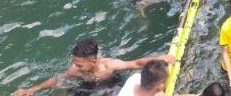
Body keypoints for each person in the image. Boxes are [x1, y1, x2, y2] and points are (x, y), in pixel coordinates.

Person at [12, 38, 173, 96]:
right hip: (88, 88)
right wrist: (35, 89)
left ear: (93, 61)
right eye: (75, 63)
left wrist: (159, 58)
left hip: (111, 87)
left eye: (80, 64)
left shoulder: (109, 65)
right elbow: (59, 79)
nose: (76, 67)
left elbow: (135, 63)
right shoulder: (75, 70)